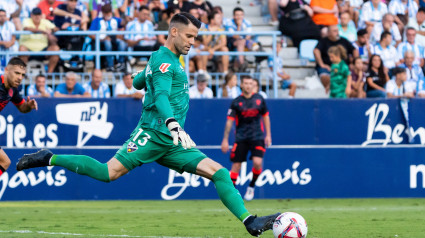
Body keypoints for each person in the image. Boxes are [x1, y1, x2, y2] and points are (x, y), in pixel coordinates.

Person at [16, 13, 280, 237]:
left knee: (220, 173)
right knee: (108, 173)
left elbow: (137, 82)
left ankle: (250, 222)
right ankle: (49, 158)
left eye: (195, 38)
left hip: (172, 142)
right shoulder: (166, 63)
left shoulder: (162, 59)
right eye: (189, 36)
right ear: (173, 32)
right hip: (154, 133)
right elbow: (162, 97)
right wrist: (173, 124)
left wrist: (142, 76)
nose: (192, 42)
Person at [221, 75, 272, 201]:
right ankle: (232, 194)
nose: (248, 86)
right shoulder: (236, 102)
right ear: (242, 85)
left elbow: (266, 117)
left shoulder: (259, 99)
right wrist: (225, 139)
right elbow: (229, 122)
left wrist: (268, 135)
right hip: (241, 137)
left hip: (257, 136)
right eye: (246, 83)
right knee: (236, 166)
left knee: (257, 162)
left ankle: (251, 186)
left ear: (253, 85)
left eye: (250, 83)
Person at [0, 57, 38, 178]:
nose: (20, 78)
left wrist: (29, 106)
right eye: (17, 73)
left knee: (5, 162)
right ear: (6, 70)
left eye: (22, 75)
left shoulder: (13, 90)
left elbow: (22, 108)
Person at [313, 24, 358, 92]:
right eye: (334, 31)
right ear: (328, 33)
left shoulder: (343, 40)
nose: (337, 33)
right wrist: (322, 64)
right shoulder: (323, 41)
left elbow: (354, 50)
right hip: (327, 67)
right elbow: (316, 50)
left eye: (337, 31)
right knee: (326, 76)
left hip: (343, 67)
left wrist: (354, 62)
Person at [19, 7, 60, 73]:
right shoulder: (26, 21)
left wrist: (51, 30)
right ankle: (24, 74)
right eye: (35, 15)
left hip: (43, 50)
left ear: (41, 15)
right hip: (29, 50)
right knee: (22, 49)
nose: (37, 16)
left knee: (56, 49)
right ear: (31, 15)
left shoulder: (45, 22)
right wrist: (42, 31)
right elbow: (27, 28)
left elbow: (56, 29)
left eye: (38, 14)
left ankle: (49, 74)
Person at [89, 4, 126, 72]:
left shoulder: (115, 19)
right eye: (105, 12)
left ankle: (121, 63)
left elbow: (123, 23)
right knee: (107, 43)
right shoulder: (97, 20)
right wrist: (101, 39)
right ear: (102, 12)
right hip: (102, 41)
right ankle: (110, 65)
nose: (107, 14)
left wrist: (126, 19)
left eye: (109, 12)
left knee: (122, 43)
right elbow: (90, 34)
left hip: (114, 40)